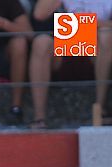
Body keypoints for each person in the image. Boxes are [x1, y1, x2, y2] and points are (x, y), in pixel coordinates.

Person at [29, 0, 112, 128]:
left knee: (106, 35)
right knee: (41, 42)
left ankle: (100, 110)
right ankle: (39, 118)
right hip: (68, 38)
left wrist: (83, 23)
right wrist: (90, 24)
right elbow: (39, 14)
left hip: (97, 46)